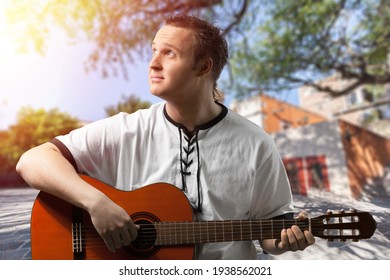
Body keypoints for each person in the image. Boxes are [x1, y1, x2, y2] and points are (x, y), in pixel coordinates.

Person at [16, 14, 315, 259]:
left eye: (168, 53)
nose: (153, 62)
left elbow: (270, 235)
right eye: (153, 51)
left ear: (203, 67)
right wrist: (96, 203)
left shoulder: (256, 143)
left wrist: (286, 240)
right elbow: (33, 161)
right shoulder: (126, 129)